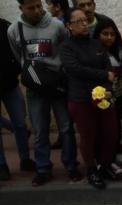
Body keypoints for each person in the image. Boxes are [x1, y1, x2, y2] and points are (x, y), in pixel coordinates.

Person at [8, 0, 80, 187]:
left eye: (39, 6)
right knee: (40, 130)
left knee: (66, 128)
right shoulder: (14, 30)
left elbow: (66, 51)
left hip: (57, 85)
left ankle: (71, 166)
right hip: (35, 88)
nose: (37, 10)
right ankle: (42, 169)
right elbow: (19, 56)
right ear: (21, 8)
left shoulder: (57, 25)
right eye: (31, 8)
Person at [60, 8, 119, 189]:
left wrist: (108, 89)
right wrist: (103, 76)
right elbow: (76, 70)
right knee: (88, 136)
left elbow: (109, 69)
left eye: (85, 20)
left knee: (111, 133)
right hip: (81, 99)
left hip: (103, 98)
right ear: (69, 26)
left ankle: (105, 165)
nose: (84, 24)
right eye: (78, 21)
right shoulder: (66, 47)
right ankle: (91, 170)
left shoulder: (97, 44)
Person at [0, 18, 35, 181]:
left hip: (10, 84)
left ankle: (25, 159)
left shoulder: (5, 25)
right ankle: (2, 166)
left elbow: (17, 50)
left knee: (20, 123)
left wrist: (16, 69)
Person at [93, 17, 122, 176]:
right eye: (104, 34)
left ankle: (115, 154)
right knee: (100, 130)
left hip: (116, 97)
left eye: (112, 34)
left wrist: (121, 83)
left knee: (115, 127)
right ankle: (101, 160)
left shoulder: (119, 52)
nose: (109, 37)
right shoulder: (94, 52)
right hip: (99, 98)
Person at [46, 0, 70, 150]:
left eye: (49, 4)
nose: (47, 8)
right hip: (63, 72)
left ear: (57, 6)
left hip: (62, 72)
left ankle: (64, 138)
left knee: (64, 110)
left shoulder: (59, 25)